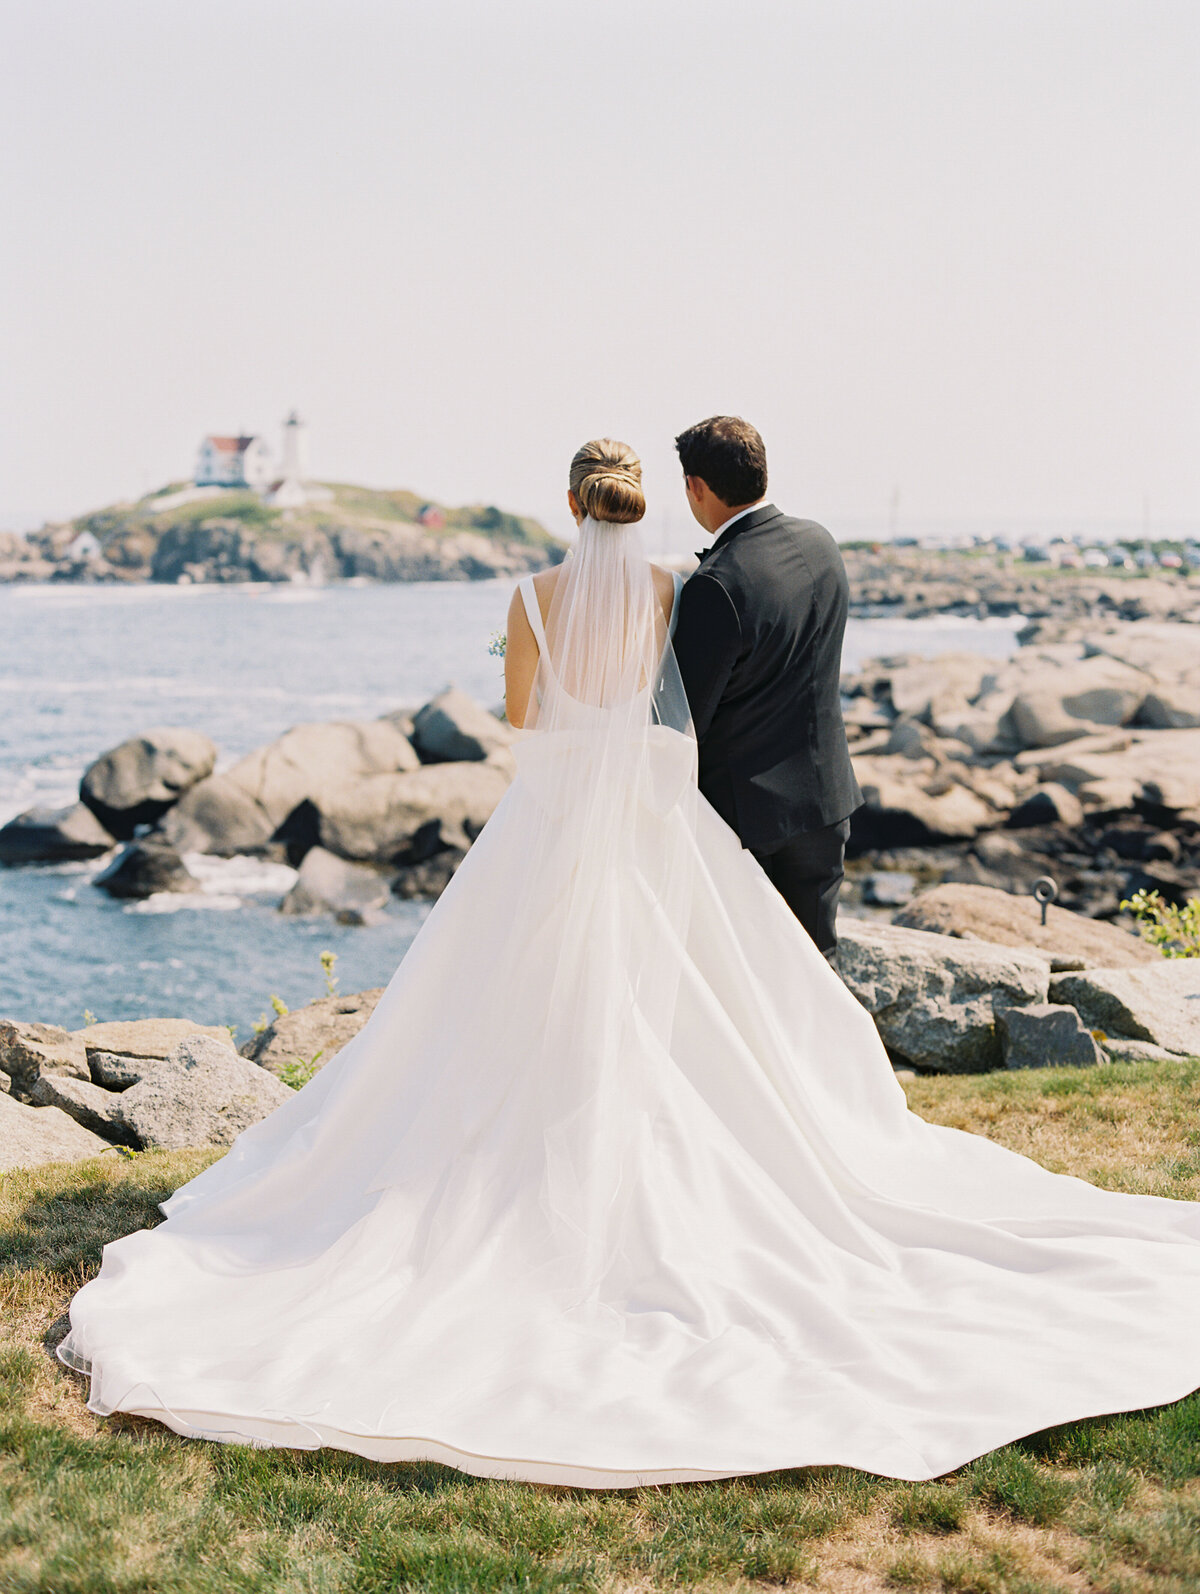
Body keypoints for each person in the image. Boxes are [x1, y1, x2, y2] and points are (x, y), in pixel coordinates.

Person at [58, 439, 1200, 1489]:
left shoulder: (530, 598)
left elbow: (522, 717)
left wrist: (549, 684)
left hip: (551, 821)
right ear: (643, 505)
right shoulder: (667, 588)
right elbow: (671, 712)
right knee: (676, 1005)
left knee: (498, 1009)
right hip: (654, 825)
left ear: (567, 504)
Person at [672, 415, 862, 963]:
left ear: (696, 487)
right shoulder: (820, 543)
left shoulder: (718, 584)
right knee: (817, 967)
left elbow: (684, 716)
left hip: (749, 824)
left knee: (751, 978)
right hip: (826, 802)